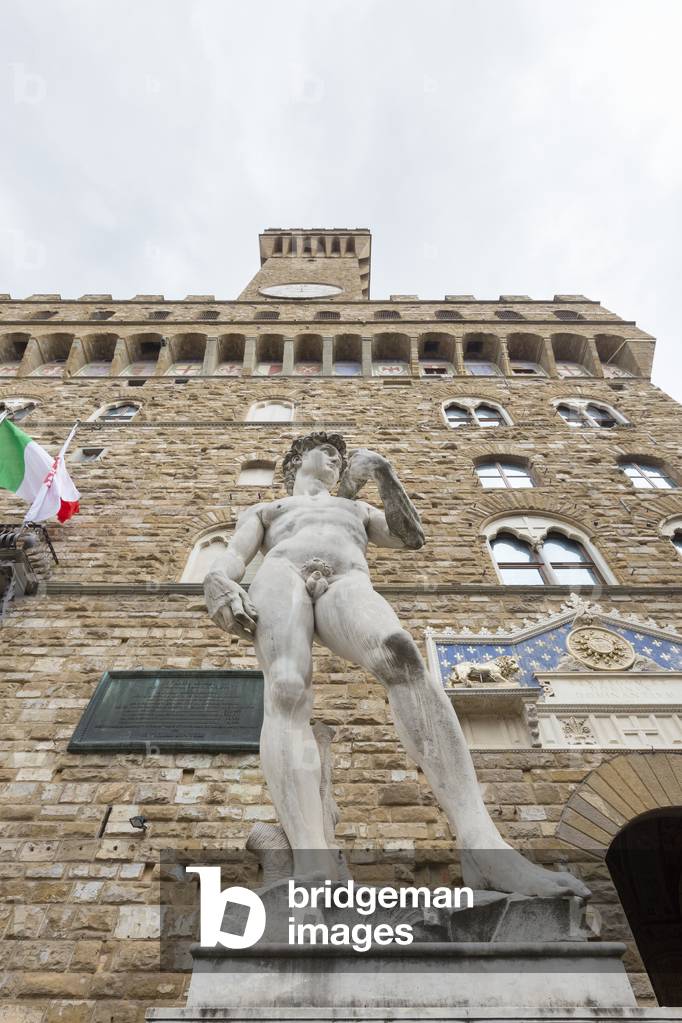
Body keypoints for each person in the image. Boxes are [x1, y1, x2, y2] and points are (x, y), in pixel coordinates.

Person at [205, 432, 589, 898]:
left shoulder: (356, 510)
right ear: (296, 460)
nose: (334, 458)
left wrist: (386, 476)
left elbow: (410, 536)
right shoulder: (269, 510)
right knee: (286, 687)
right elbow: (233, 556)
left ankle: (483, 845)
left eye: (339, 457)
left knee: (402, 657)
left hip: (346, 578)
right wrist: (217, 579)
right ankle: (312, 865)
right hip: (279, 574)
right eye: (324, 451)